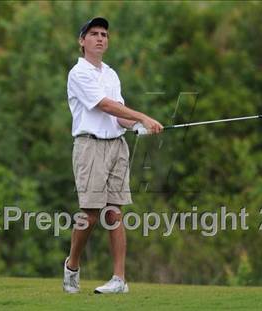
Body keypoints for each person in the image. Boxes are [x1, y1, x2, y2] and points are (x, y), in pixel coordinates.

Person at [64, 17, 163, 294]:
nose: (100, 38)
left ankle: (119, 280)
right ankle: (72, 265)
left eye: (104, 34)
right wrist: (142, 115)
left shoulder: (111, 73)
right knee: (91, 214)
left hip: (116, 146)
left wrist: (139, 126)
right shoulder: (79, 73)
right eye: (93, 34)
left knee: (114, 212)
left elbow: (118, 117)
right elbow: (105, 105)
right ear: (82, 41)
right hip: (90, 146)